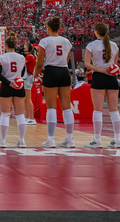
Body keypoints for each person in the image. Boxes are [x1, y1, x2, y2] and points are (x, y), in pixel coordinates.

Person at [34, 17, 74, 148]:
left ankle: (51, 139)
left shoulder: (44, 41)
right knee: (66, 107)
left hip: (51, 71)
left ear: (49, 28)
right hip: (64, 71)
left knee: (51, 107)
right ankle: (70, 139)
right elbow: (67, 59)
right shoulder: (66, 41)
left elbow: (39, 62)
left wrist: (35, 75)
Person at [84, 22, 120, 149]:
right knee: (114, 110)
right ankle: (117, 139)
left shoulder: (92, 45)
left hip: (99, 77)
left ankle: (97, 139)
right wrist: (107, 69)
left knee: (98, 110)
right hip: (112, 78)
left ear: (95, 31)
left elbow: (87, 64)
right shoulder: (114, 45)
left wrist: (99, 69)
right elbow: (115, 65)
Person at [0, 32, 27, 148]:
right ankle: (22, 140)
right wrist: (16, 81)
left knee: (5, 114)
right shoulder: (22, 57)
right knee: (20, 115)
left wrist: (9, 83)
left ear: (6, 45)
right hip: (19, 86)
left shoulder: (2, 57)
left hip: (6, 86)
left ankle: (3, 141)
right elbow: (22, 73)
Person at [23, 42, 38, 125]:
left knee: (28, 99)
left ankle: (31, 118)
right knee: (26, 99)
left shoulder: (30, 57)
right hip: (27, 77)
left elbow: (22, 63)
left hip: (28, 78)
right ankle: (27, 117)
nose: (23, 50)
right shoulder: (28, 56)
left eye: (25, 48)